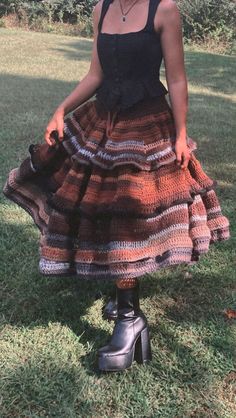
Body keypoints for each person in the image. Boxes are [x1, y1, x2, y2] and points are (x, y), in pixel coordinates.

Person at [3, 0, 230, 372]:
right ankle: (124, 298)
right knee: (97, 203)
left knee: (129, 213)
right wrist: (61, 109)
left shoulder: (164, 10)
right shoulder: (101, 10)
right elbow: (96, 74)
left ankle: (129, 318)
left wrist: (181, 133)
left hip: (146, 124)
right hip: (104, 118)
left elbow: (176, 78)